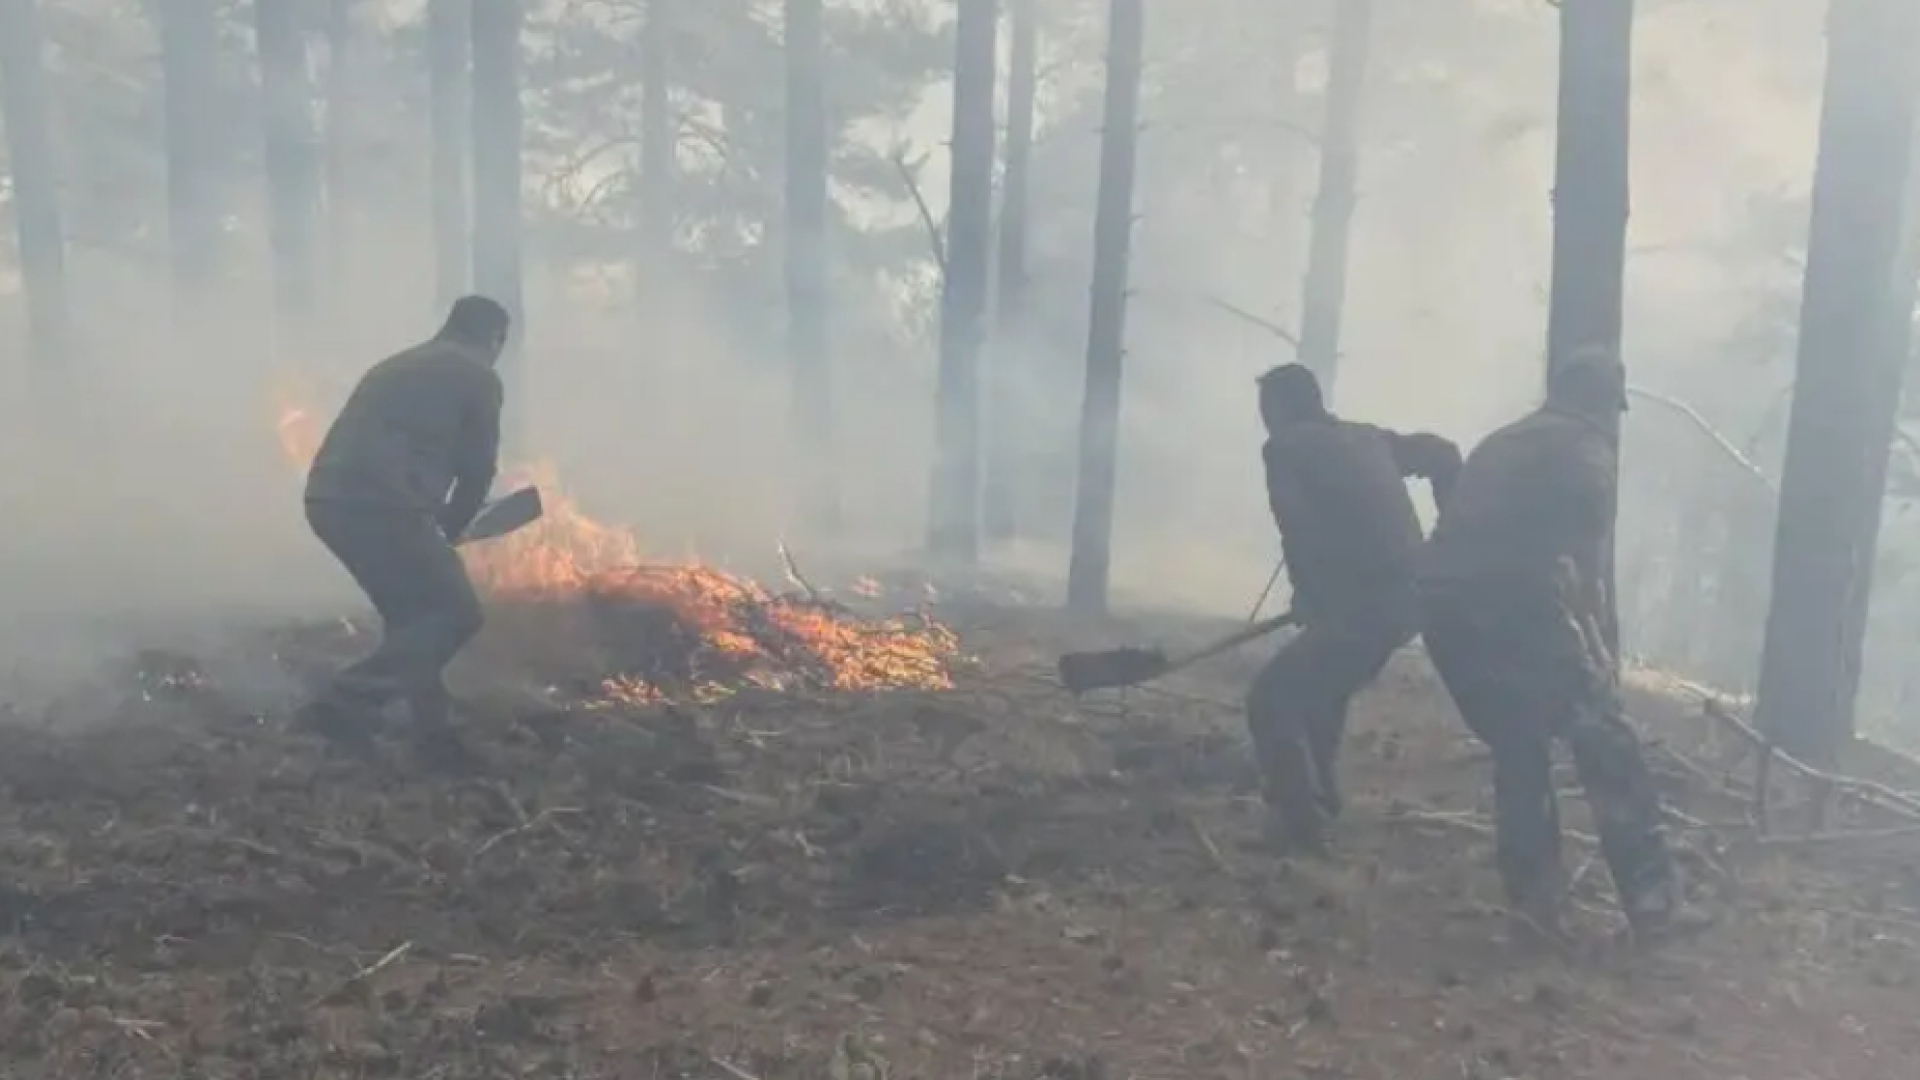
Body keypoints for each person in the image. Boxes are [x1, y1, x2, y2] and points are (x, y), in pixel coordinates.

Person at [1419, 345, 1707, 943]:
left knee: (1518, 749)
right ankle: (1654, 904)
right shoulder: (1586, 450)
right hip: (1515, 610)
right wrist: (1602, 660)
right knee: (1608, 745)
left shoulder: (1501, 442)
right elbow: (1584, 571)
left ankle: (1532, 908)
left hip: (1445, 615)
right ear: (1604, 403)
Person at [1248, 364, 1461, 854]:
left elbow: (1295, 527)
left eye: (1266, 409)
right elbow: (1443, 454)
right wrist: (1448, 536)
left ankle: (1299, 824)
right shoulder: (1368, 438)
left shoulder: (1285, 448)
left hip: (1365, 605)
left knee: (1270, 700)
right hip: (1410, 602)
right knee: (1324, 688)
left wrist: (1309, 595)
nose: (1263, 421)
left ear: (1281, 406)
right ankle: (1321, 801)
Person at [298, 295, 509, 764]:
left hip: (328, 500)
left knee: (415, 619)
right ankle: (346, 701)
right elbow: (477, 469)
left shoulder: (395, 365)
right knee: (456, 613)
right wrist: (453, 527)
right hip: (383, 506)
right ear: (496, 338)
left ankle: (432, 736)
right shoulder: (478, 374)